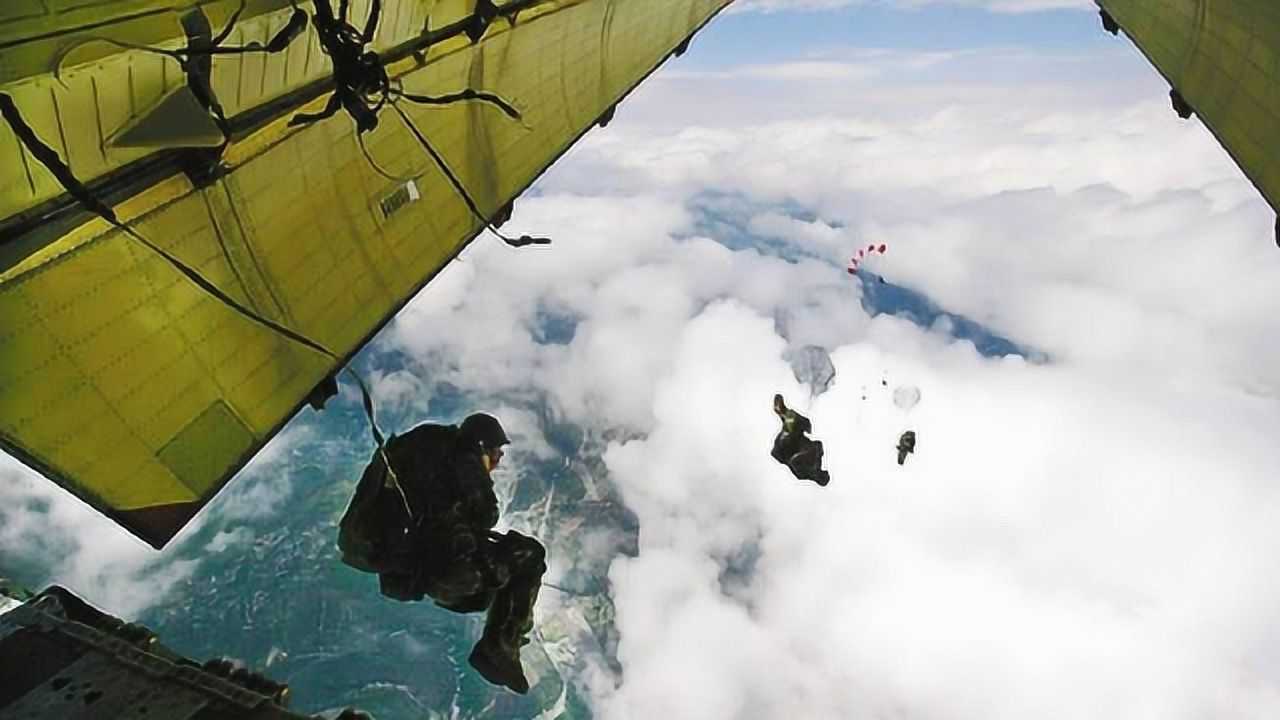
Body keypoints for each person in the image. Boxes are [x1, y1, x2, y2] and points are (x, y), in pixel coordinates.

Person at [338, 413, 546, 694]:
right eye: (496, 454)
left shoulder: (425, 441)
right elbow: (486, 514)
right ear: (482, 446)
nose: (497, 463)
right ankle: (500, 647)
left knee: (484, 589)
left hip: (391, 559)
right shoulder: (465, 456)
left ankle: (496, 640)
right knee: (530, 554)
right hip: (430, 566)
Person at [770, 394, 830, 486]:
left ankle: (786, 421)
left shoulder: (805, 473)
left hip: (786, 447)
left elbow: (794, 461)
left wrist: (804, 454)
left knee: (796, 426)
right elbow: (818, 445)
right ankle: (784, 414)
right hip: (790, 442)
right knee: (802, 423)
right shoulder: (815, 464)